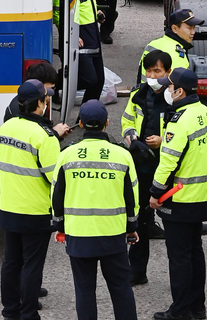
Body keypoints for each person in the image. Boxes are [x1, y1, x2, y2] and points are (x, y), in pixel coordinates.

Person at [51, 99, 139, 320]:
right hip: (113, 234)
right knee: (121, 288)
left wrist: (60, 226)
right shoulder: (122, 155)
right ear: (107, 123)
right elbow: (132, 197)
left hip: (79, 235)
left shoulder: (67, 155)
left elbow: (56, 196)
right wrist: (132, 227)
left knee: (85, 291)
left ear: (79, 123)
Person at [149, 67, 207, 320]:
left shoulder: (178, 121)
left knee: (179, 258)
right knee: (195, 252)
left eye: (168, 87)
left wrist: (155, 192)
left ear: (179, 91)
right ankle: (197, 307)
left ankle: (179, 311)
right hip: (201, 195)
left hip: (177, 197)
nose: (166, 90)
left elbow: (167, 162)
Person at [0, 81, 63, 320]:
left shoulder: (5, 128)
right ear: (38, 105)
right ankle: (29, 314)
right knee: (32, 264)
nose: (47, 103)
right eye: (46, 99)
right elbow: (56, 179)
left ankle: (10, 311)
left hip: (9, 206)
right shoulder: (45, 137)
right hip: (35, 210)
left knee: (11, 262)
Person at [121, 48, 173, 286]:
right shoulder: (137, 95)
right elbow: (127, 120)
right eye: (149, 71)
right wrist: (131, 136)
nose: (152, 76)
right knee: (140, 218)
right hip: (141, 163)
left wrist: (164, 141)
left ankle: (178, 278)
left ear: (168, 72)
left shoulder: (176, 97)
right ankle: (136, 271)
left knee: (173, 223)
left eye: (157, 71)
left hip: (168, 165)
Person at [137, 8, 203, 83]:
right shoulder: (177, 54)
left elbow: (140, 76)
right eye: (189, 28)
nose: (193, 32)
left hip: (142, 93)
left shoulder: (152, 44)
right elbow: (179, 87)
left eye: (194, 28)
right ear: (174, 28)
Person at [76, 0, 106, 104]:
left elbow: (86, 9)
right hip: (81, 39)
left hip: (93, 38)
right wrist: (73, 35)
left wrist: (97, 13)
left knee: (99, 81)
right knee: (90, 80)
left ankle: (86, 115)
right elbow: (59, 17)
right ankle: (56, 85)